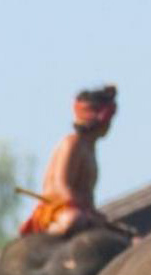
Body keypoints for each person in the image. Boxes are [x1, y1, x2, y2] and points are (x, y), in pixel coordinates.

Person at [16, 87, 118, 237]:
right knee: (74, 220)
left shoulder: (90, 149)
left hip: (83, 211)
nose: (110, 125)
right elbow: (61, 184)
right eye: (109, 120)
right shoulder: (72, 143)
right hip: (57, 211)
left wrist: (94, 213)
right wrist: (80, 208)